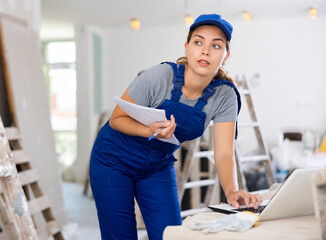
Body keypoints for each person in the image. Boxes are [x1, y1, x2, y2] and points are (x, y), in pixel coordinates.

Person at [89, 13, 263, 240]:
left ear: (226, 56)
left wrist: (231, 191)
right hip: (112, 160)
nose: (205, 51)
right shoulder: (160, 77)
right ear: (187, 47)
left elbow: (223, 153)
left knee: (170, 235)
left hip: (156, 166)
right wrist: (149, 131)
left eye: (216, 46)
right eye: (198, 42)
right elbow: (116, 119)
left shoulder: (225, 96)